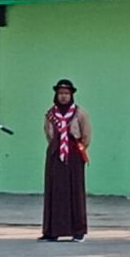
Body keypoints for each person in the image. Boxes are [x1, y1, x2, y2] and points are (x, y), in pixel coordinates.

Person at [41, 78, 92, 243]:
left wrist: (76, 148)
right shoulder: (50, 114)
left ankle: (78, 231)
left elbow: (86, 135)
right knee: (54, 191)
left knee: (75, 191)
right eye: (60, 93)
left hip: (75, 154)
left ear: (71, 95)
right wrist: (57, 147)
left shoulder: (79, 113)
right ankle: (52, 230)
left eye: (66, 93)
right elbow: (48, 134)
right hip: (56, 154)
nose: (63, 97)